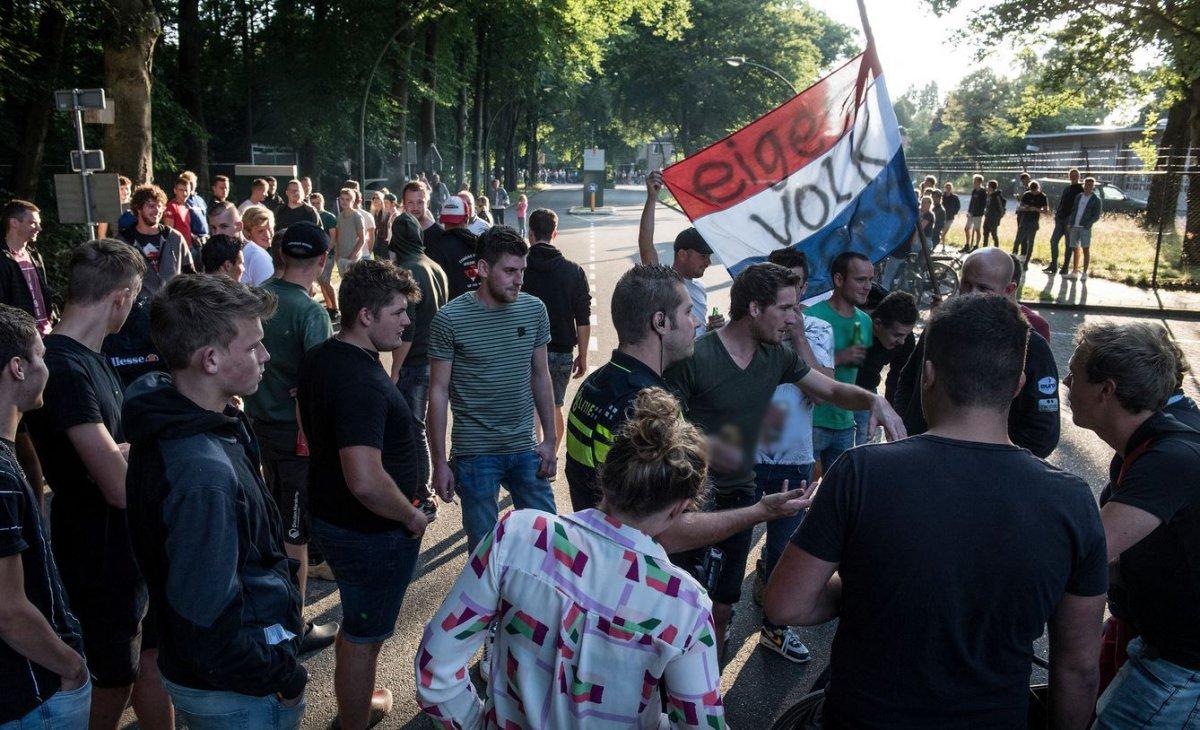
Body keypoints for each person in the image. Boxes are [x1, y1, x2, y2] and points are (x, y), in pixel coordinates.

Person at [766, 293, 1107, 729]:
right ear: (1018, 384)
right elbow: (1078, 668)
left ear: (927, 375)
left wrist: (872, 582)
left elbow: (786, 604)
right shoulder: (1072, 501)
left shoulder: (862, 472)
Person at [416, 388, 727, 728]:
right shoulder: (685, 606)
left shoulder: (518, 535)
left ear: (606, 476)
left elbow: (434, 671)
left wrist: (478, 724)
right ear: (680, 508)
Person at [665, 262, 906, 656]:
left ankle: (707, 683)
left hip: (739, 497)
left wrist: (873, 400)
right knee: (678, 604)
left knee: (721, 608)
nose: (795, 318)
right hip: (690, 502)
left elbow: (830, 390)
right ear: (754, 308)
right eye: (786, 308)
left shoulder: (776, 355)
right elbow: (662, 432)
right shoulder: (697, 356)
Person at [124, 274, 308, 729]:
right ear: (210, 359)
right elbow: (207, 618)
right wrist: (282, 675)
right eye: (253, 346)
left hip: (222, 675)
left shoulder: (199, 420)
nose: (265, 356)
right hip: (237, 692)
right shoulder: (201, 471)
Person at [23, 241, 174, 730]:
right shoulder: (66, 368)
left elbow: (121, 455)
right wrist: (138, 455)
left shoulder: (92, 358)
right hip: (99, 552)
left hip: (125, 547)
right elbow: (117, 485)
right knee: (111, 679)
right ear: (121, 297)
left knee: (149, 662)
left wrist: (129, 452)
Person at [297, 260, 429, 730]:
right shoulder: (361, 382)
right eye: (398, 312)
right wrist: (410, 517)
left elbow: (305, 427)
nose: (407, 321)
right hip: (371, 532)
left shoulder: (323, 355)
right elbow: (365, 480)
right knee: (364, 634)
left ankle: (360, 697)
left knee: (358, 624)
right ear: (366, 316)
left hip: (340, 521)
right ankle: (354, 719)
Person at [1062, 322, 1200, 727]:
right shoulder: (1146, 448)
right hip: (1161, 646)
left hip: (1180, 666)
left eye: (1074, 373)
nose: (1066, 381)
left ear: (1106, 390)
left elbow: (1088, 553)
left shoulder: (1167, 460)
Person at [428, 226, 558, 550]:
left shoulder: (534, 309)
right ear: (483, 269)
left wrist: (550, 440)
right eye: (510, 271)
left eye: (522, 271)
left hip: (525, 448)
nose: (519, 280)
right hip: (475, 454)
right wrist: (439, 462)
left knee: (548, 540)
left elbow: (541, 375)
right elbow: (438, 392)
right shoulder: (450, 319)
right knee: (484, 550)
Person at [243, 222, 339, 656]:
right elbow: (321, 382)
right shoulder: (311, 312)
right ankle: (292, 625)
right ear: (322, 260)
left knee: (272, 520)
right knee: (294, 533)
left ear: (281, 254)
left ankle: (272, 613)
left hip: (256, 425)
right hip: (296, 435)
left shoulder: (256, 297)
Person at [0, 304, 91, 730]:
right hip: (33, 694)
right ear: (17, 368)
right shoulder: (1, 476)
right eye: (41, 355)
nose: (46, 368)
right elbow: (8, 609)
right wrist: (71, 666)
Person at [749, 248, 834, 663]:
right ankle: (716, 619)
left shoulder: (817, 328)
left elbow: (824, 389)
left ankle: (775, 629)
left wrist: (797, 336)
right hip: (743, 454)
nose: (791, 294)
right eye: (781, 284)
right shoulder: (751, 327)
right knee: (729, 542)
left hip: (793, 458)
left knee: (783, 550)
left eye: (797, 283)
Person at [894, 247, 1061, 457]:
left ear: (1009, 289)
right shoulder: (938, 328)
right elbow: (908, 380)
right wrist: (903, 429)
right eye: (966, 284)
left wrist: (997, 460)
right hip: (920, 456)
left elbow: (1043, 432)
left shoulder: (1031, 346)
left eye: (983, 288)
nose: (971, 294)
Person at [388, 213, 448, 522]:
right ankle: (426, 487)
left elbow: (407, 329)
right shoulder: (434, 266)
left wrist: (395, 369)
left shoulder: (408, 271)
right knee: (423, 425)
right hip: (437, 358)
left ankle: (423, 496)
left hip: (415, 361)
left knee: (414, 430)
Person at [106, 184, 193, 388]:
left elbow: (190, 275)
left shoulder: (174, 237)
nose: (157, 210)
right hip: (136, 319)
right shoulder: (123, 241)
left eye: (160, 206)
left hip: (171, 315)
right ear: (138, 208)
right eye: (151, 206)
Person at [520, 209, 591, 451]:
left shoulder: (519, 268)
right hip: (562, 351)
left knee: (531, 407)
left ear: (530, 234)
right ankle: (551, 456)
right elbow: (583, 318)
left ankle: (535, 459)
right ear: (554, 233)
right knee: (555, 405)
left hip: (526, 349)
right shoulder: (574, 271)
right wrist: (583, 355)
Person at [807, 251, 875, 461]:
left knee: (841, 483)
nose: (868, 286)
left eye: (870, 280)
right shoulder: (811, 317)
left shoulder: (865, 321)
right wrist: (838, 358)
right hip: (813, 422)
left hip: (845, 423)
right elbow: (797, 369)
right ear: (838, 279)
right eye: (860, 280)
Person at [639, 170, 723, 337]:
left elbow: (696, 335)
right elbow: (646, 246)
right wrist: (652, 198)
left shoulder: (700, 289)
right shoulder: (663, 283)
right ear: (682, 254)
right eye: (703, 256)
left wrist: (710, 329)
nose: (708, 263)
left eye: (709, 257)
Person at [852, 290, 918, 445]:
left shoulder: (906, 340)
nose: (901, 341)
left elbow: (898, 380)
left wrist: (892, 413)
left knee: (867, 440)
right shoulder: (856, 327)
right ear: (877, 324)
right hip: (843, 385)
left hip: (869, 389)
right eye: (897, 335)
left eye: (906, 335)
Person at [1, 200, 54, 336]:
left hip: (46, 333)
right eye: (33, 223)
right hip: (20, 338)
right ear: (14, 223)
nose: (39, 228)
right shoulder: (3, 260)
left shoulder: (35, 256)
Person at [209, 201, 274, 286]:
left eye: (223, 226)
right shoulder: (213, 252)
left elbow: (269, 294)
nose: (217, 233)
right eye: (213, 228)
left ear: (239, 226)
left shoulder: (258, 257)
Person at [428, 196, 480, 298]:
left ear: (443, 220)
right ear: (466, 218)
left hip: (453, 305)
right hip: (484, 304)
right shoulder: (481, 243)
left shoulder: (436, 248)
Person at [309, 193, 341, 320]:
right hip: (315, 254)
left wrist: (326, 251)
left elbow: (333, 238)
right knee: (321, 282)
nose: (316, 205)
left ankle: (336, 308)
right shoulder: (311, 215)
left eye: (318, 202)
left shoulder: (329, 217)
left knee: (326, 281)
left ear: (322, 202)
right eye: (313, 203)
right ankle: (329, 307)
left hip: (328, 254)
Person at [1047, 168, 1084, 275]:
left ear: (1078, 177)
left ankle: (1065, 267)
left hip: (1070, 220)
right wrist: (1057, 214)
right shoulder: (1067, 188)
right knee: (1053, 241)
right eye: (1071, 175)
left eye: (1075, 175)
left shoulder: (1081, 190)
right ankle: (1053, 265)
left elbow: (1079, 207)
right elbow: (1062, 202)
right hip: (1060, 219)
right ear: (1069, 176)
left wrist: (1072, 220)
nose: (1073, 177)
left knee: (1069, 244)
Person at [1067, 176, 1102, 281]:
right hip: (1075, 226)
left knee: (1085, 249)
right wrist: (1070, 223)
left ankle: (1085, 273)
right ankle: (1074, 271)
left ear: (1093, 186)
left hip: (1085, 228)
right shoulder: (1079, 196)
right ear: (1084, 185)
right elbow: (1074, 210)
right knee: (1075, 248)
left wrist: (1088, 224)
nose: (1088, 186)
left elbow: (1096, 216)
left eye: (1090, 185)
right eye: (1086, 184)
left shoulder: (1096, 199)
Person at [1010, 254, 1051, 342]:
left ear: (1010, 288)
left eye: (983, 288)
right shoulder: (978, 315)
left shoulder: (1037, 325)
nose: (980, 293)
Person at [1013, 179, 1048, 266]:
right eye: (1032, 191)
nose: (1033, 193)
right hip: (1024, 220)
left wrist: (1036, 209)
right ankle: (1013, 256)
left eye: (1035, 191)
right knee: (1018, 239)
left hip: (1034, 222)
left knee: (1030, 242)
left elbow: (1046, 211)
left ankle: (1026, 261)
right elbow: (1019, 207)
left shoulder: (1043, 196)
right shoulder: (1027, 194)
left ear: (1038, 188)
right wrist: (1027, 208)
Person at [333, 188, 366, 275]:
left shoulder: (357, 216)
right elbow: (337, 237)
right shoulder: (339, 216)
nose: (344, 202)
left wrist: (352, 257)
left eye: (347, 199)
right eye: (342, 199)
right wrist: (337, 254)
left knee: (353, 282)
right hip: (341, 257)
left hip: (353, 259)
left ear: (353, 201)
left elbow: (362, 239)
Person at [161, 177, 195, 253]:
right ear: (175, 191)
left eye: (186, 190)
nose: (184, 193)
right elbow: (168, 232)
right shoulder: (171, 207)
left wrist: (192, 236)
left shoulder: (186, 206)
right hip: (178, 249)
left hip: (189, 247)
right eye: (181, 190)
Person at [97, 175, 134, 239]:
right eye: (121, 189)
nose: (125, 192)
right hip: (119, 242)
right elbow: (101, 235)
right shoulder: (108, 207)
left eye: (127, 188)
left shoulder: (136, 204)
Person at [179, 170, 209, 245]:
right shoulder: (183, 201)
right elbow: (180, 223)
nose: (192, 186)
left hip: (206, 239)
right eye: (189, 183)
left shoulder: (200, 200)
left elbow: (206, 218)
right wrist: (191, 235)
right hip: (193, 241)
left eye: (193, 183)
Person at [964, 173, 987, 251]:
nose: (974, 182)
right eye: (974, 181)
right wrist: (969, 211)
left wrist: (979, 213)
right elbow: (972, 202)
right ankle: (967, 245)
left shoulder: (983, 192)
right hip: (971, 213)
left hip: (978, 214)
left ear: (980, 182)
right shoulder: (974, 191)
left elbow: (983, 204)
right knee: (966, 228)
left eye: (975, 181)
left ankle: (976, 246)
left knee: (977, 229)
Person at [982, 179, 1006, 249]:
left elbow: (1001, 208)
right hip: (988, 217)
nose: (987, 187)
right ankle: (984, 249)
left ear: (991, 187)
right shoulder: (989, 195)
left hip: (994, 219)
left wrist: (998, 218)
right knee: (985, 234)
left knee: (994, 234)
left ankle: (996, 248)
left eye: (988, 186)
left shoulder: (997, 196)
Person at [373, 193, 397, 259]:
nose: (384, 204)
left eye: (387, 202)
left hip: (392, 248)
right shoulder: (389, 214)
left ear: (393, 204)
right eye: (384, 202)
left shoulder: (395, 216)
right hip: (387, 246)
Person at [942, 181, 960, 245]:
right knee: (941, 231)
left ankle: (943, 245)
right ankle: (943, 245)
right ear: (945, 188)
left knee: (944, 232)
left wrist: (954, 212)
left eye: (949, 188)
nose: (948, 189)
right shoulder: (942, 196)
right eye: (947, 187)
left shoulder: (955, 197)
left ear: (951, 188)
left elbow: (958, 206)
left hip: (950, 217)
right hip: (942, 217)